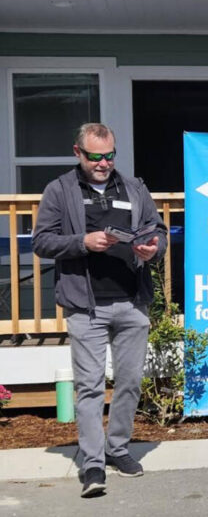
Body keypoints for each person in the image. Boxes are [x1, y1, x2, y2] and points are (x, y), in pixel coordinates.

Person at [33, 123, 167, 497]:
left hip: (131, 300)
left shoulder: (134, 187)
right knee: (89, 387)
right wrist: (82, 242)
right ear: (78, 153)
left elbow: (158, 230)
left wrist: (153, 248)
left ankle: (118, 448)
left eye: (110, 155)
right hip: (85, 305)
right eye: (96, 157)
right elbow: (42, 240)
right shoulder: (60, 191)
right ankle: (93, 463)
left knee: (130, 382)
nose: (104, 163)